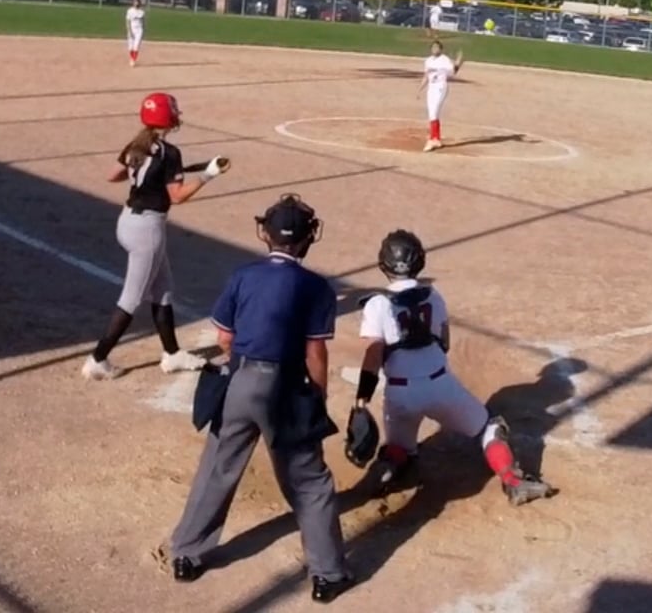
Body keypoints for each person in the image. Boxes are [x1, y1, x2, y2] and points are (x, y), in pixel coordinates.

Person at [164, 195, 350, 603]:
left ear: (266, 234)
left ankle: (187, 554)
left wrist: (245, 369)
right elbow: (314, 351)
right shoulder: (316, 287)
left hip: (241, 381)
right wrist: (316, 398)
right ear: (307, 239)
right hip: (285, 388)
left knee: (218, 466)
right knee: (309, 480)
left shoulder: (244, 275)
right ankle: (327, 574)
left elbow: (225, 338)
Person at [352, 229, 555, 507]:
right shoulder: (434, 297)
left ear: (383, 264)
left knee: (399, 447)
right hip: (440, 385)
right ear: (419, 261)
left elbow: (373, 354)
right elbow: (444, 343)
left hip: (399, 395)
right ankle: (513, 481)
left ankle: (387, 469)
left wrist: (361, 399)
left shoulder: (376, 304)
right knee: (490, 427)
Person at [82, 92, 225, 380]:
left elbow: (114, 175)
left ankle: (172, 354)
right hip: (147, 230)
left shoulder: (136, 145)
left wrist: (147, 177)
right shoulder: (169, 154)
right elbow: (178, 196)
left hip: (128, 222)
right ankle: (98, 358)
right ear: (168, 118)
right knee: (131, 299)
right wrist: (207, 175)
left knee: (164, 290)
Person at [420, 40, 464, 152]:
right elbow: (426, 76)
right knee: (432, 113)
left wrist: (458, 62)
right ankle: (437, 139)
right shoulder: (428, 61)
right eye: (433, 47)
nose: (435, 49)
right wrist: (420, 88)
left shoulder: (444, 60)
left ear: (441, 49)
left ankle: (432, 140)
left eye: (437, 47)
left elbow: (453, 72)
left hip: (440, 87)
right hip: (431, 88)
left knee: (434, 112)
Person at [126, 0, 146, 67]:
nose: (136, 3)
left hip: (139, 30)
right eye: (135, 2)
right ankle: (132, 58)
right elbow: (128, 21)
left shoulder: (142, 12)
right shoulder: (130, 11)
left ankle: (133, 60)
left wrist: (143, 30)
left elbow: (143, 22)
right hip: (131, 29)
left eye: (137, 2)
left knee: (136, 46)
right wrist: (129, 31)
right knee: (130, 47)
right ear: (133, 3)